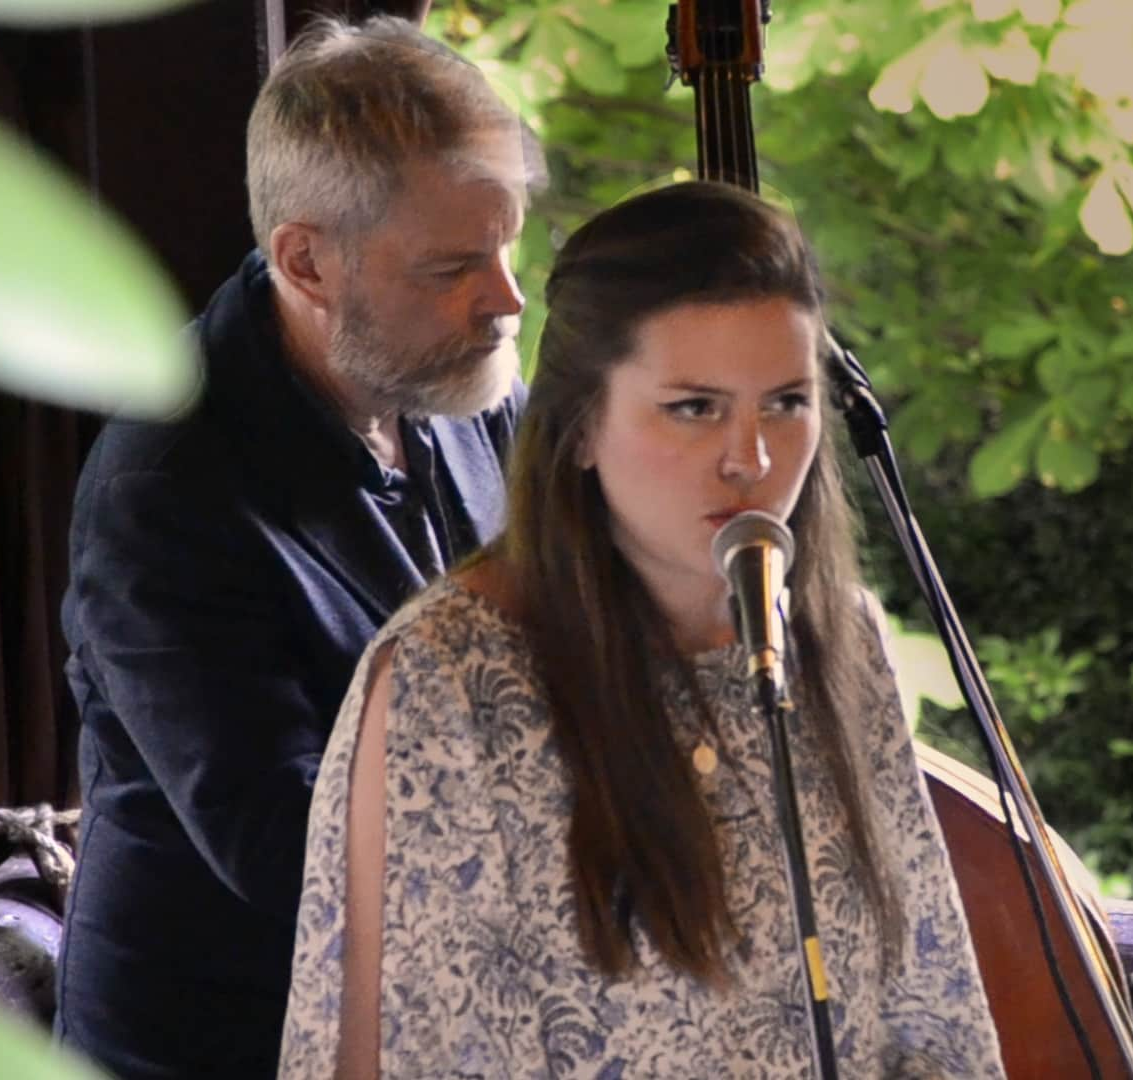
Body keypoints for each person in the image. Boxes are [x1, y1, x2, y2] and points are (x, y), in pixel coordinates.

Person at [275, 181, 1005, 1079]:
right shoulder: (452, 677)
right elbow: (398, 1056)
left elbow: (928, 1018)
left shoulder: (838, 639)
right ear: (580, 428)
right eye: (694, 408)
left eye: (785, 402)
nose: (753, 458)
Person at [56, 16, 536, 1078]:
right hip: (231, 1044)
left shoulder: (459, 377)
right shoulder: (164, 492)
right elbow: (296, 855)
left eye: (509, 246)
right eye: (455, 265)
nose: (506, 299)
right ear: (307, 261)